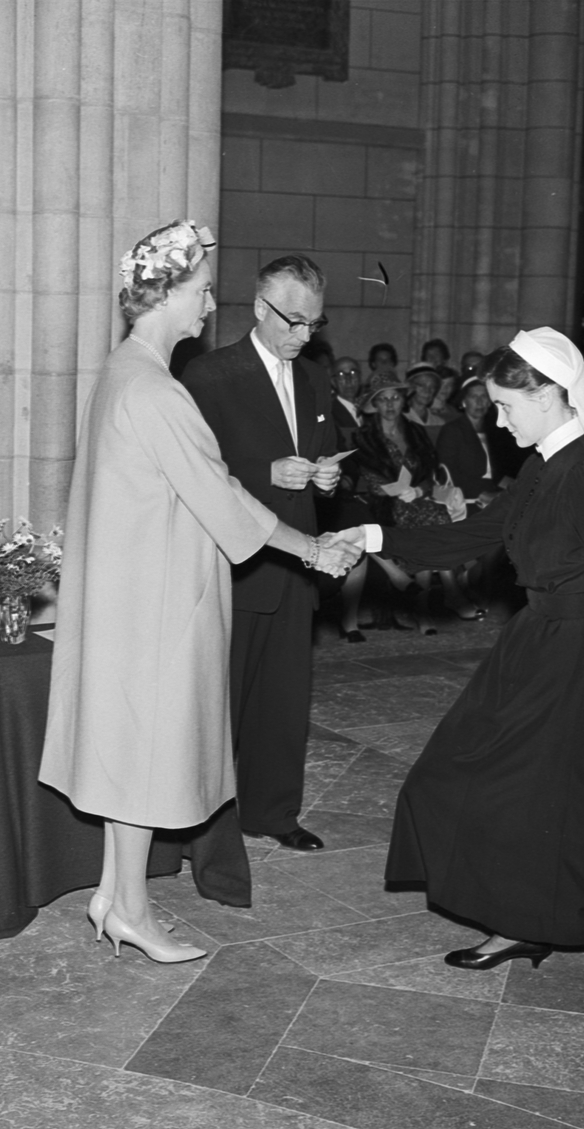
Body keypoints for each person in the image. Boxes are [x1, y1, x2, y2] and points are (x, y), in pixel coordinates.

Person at [39, 222, 356, 964]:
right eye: (201, 289)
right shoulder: (157, 390)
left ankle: (117, 897)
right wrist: (312, 547)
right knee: (148, 759)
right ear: (168, 295)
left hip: (134, 590)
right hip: (155, 605)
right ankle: (137, 913)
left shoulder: (125, 370)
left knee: (129, 757)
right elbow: (223, 500)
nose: (210, 303)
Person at [345, 327, 584, 990]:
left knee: (574, 810)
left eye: (507, 405)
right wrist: (371, 534)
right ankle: (518, 913)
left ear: (552, 396)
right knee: (469, 776)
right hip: (536, 642)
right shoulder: (543, 462)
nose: (499, 420)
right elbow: (482, 532)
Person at [182, 255, 340, 853]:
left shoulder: (315, 379)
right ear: (259, 308)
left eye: (313, 325)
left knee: (283, 695)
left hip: (298, 557)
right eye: (293, 321)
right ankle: (205, 822)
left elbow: (327, 452)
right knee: (222, 696)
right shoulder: (210, 375)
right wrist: (264, 471)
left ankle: (273, 812)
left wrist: (327, 477)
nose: (303, 336)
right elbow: (195, 472)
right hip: (236, 559)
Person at [347, 374, 481, 627]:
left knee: (435, 517)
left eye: (395, 398)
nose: (389, 405)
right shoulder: (364, 437)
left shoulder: (415, 431)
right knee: (426, 520)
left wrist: (418, 490)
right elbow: (368, 478)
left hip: (419, 499)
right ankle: (447, 596)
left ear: (403, 400)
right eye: (383, 399)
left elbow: (429, 472)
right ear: (374, 404)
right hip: (383, 503)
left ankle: (426, 607)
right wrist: (396, 491)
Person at [436, 378, 515, 507]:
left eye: (484, 396)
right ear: (464, 402)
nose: (479, 402)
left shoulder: (497, 431)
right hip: (465, 501)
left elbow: (500, 472)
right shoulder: (452, 431)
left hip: (494, 496)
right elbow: (448, 474)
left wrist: (517, 487)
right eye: (473, 396)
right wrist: (487, 492)